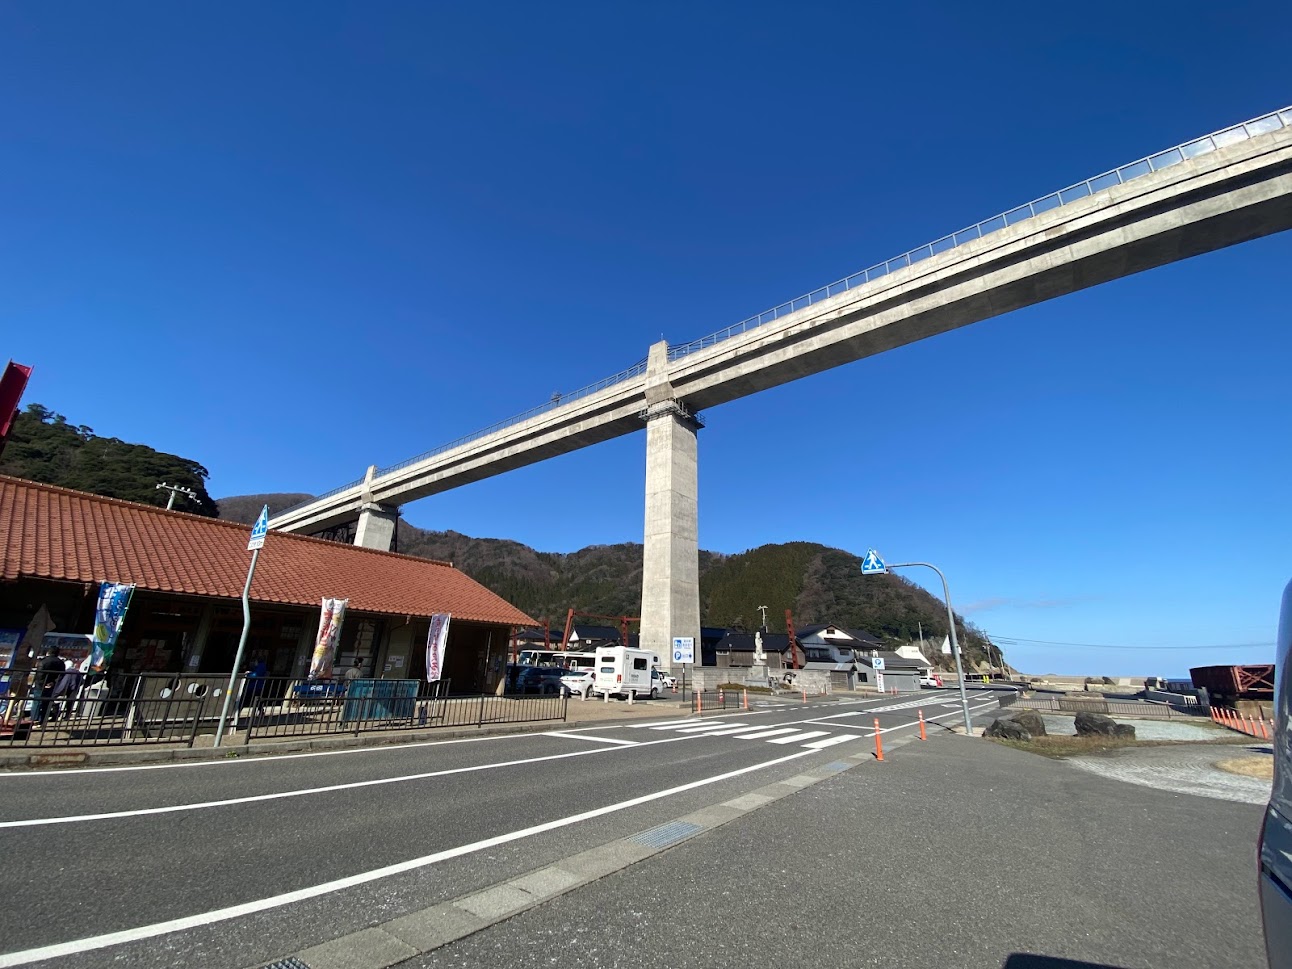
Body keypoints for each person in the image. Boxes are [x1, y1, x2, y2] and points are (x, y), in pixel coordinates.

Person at [30, 648, 65, 724]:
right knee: (47, 703)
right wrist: (53, 682)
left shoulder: (43, 661)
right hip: (52, 685)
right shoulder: (60, 662)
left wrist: (42, 684)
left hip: (40, 685)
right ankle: (43, 720)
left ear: (48, 653)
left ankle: (35, 719)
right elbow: (62, 675)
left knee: (37, 702)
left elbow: (39, 674)